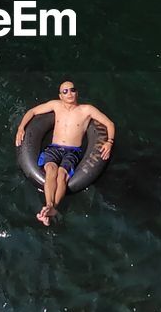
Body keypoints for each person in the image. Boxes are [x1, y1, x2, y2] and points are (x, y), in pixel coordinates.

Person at [14, 81, 115, 225]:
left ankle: (52, 209)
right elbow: (33, 111)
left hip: (72, 151)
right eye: (65, 91)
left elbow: (109, 124)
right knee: (51, 170)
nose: (69, 93)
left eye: (72, 90)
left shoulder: (87, 110)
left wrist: (109, 142)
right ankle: (49, 206)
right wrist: (21, 127)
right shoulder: (56, 105)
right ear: (60, 95)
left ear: (77, 93)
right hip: (54, 148)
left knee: (62, 174)